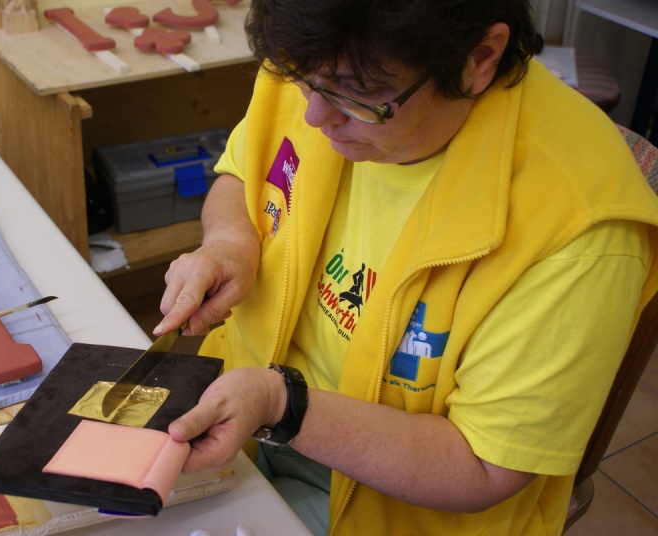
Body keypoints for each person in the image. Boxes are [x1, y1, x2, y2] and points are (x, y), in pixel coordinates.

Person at [153, 1, 658, 534]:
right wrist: (231, 241)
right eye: (301, 81)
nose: (315, 117)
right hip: (247, 417)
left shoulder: (580, 233)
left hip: (394, 507)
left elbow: (482, 468)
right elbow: (241, 174)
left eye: (357, 94)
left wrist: (281, 405)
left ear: (479, 58)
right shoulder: (322, 59)